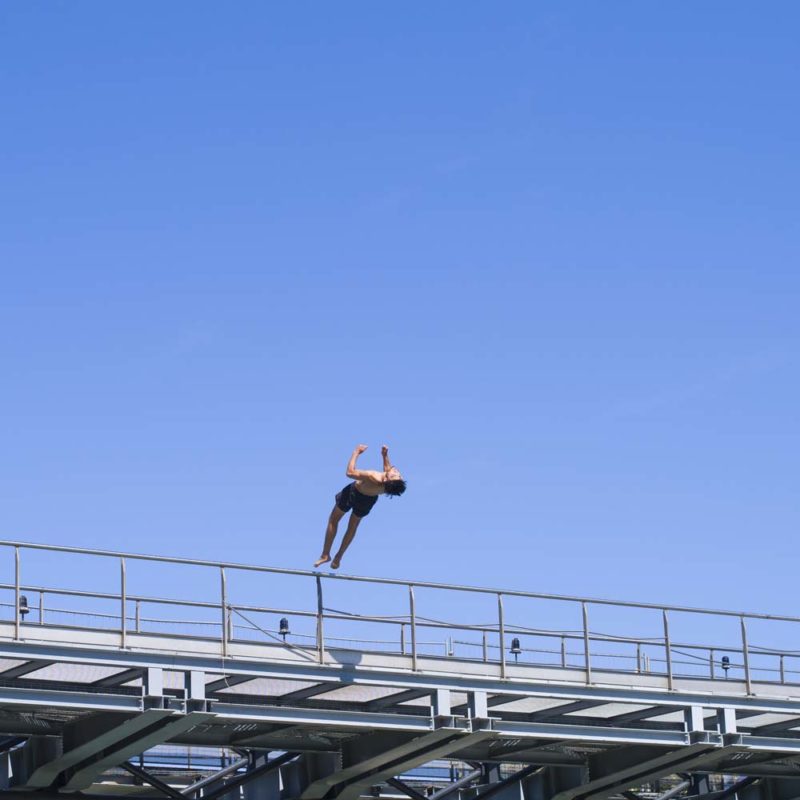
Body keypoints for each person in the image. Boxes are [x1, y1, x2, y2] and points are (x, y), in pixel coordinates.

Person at [314, 444, 407, 569]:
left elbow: (349, 472)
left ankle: (326, 555)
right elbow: (388, 470)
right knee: (352, 526)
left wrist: (356, 452)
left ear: (388, 480)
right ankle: (338, 557)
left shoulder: (371, 476)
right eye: (399, 475)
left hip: (353, 493)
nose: (397, 472)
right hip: (368, 500)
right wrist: (385, 456)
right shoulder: (389, 487)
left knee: (334, 520)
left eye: (396, 475)